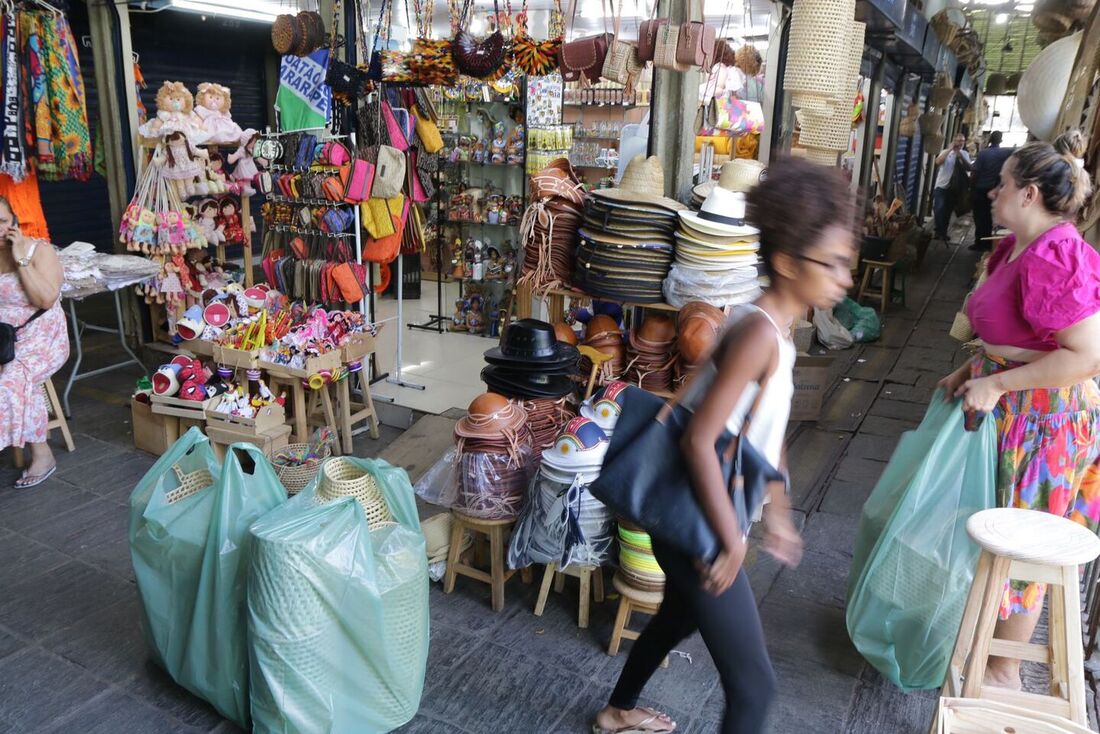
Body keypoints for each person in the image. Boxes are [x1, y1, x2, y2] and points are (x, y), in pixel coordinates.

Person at [592, 159, 856, 734]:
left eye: (847, 265)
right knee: (755, 689)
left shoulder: (770, 327)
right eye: (832, 264)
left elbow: (765, 430)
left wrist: (778, 514)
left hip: (694, 514)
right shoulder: (759, 331)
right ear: (787, 262)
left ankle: (617, 711)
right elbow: (699, 437)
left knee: (677, 617)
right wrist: (734, 539)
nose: (845, 279)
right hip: (701, 523)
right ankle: (617, 710)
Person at [940, 130, 1099, 689]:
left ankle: (1003, 672)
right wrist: (974, 370)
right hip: (1014, 409)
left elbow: (1085, 358)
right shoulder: (1017, 245)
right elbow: (1016, 333)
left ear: (1028, 193)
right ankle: (984, 654)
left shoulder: (1056, 256)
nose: (990, 193)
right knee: (994, 533)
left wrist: (1000, 383)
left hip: (1045, 424)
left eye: (1001, 185)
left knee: (1021, 545)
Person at [0, 195, 67, 488]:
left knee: (14, 375)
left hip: (43, 335)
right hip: (5, 336)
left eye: (2, 221)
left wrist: (21, 259)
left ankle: (42, 453)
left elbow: (45, 298)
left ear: (13, 220)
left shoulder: (39, 251)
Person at [969, 131, 1014, 252]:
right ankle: (989, 243)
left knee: (979, 217)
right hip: (996, 190)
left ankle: (979, 242)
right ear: (1001, 141)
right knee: (990, 216)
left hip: (981, 189)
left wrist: (971, 188)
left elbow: (975, 172)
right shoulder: (1005, 153)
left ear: (989, 139)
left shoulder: (984, 153)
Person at [932, 133, 972, 244]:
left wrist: (961, 157)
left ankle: (942, 233)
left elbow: (969, 167)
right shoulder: (945, 152)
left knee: (948, 211)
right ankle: (938, 231)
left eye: (962, 141)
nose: (959, 143)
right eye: (958, 141)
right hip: (942, 186)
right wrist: (950, 149)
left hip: (955, 189)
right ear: (953, 141)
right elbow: (938, 162)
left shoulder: (964, 154)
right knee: (939, 209)